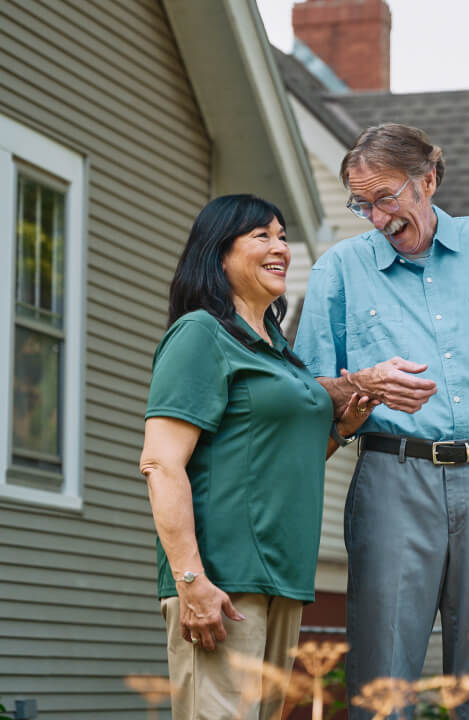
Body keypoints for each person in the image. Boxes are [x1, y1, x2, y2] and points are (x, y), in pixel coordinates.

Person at [293, 124, 469, 719]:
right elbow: (310, 393)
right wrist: (363, 382)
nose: (375, 216)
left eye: (386, 197)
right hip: (394, 478)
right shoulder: (339, 270)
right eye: (360, 203)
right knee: (382, 676)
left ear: (428, 180)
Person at [139, 194, 373, 720]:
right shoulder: (201, 334)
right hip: (223, 581)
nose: (280, 248)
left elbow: (279, 460)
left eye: (284, 236)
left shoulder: (276, 351)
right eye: (261, 236)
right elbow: (161, 463)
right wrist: (192, 582)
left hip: (282, 579)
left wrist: (340, 430)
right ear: (218, 253)